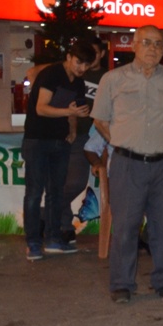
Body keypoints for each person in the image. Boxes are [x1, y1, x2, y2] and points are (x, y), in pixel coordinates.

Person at [92, 25, 163, 304]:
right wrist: (123, 142)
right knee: (125, 226)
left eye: (158, 44)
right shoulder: (112, 80)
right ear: (134, 45)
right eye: (147, 42)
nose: (153, 48)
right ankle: (122, 284)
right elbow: (100, 120)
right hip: (128, 165)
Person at [22, 40, 96, 260]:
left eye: (86, 64)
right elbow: (41, 108)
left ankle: (54, 238)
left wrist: (72, 130)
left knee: (56, 192)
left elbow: (74, 110)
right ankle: (33, 243)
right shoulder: (51, 75)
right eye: (78, 62)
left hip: (60, 141)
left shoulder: (78, 83)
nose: (81, 68)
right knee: (35, 193)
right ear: (69, 57)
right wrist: (68, 113)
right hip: (37, 140)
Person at [59, 37, 106, 246]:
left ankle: (45, 212)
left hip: (90, 136)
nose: (88, 60)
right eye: (83, 57)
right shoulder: (74, 73)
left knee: (76, 183)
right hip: (64, 133)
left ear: (102, 54)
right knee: (62, 180)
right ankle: (65, 227)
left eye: (93, 53)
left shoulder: (108, 77)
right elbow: (33, 73)